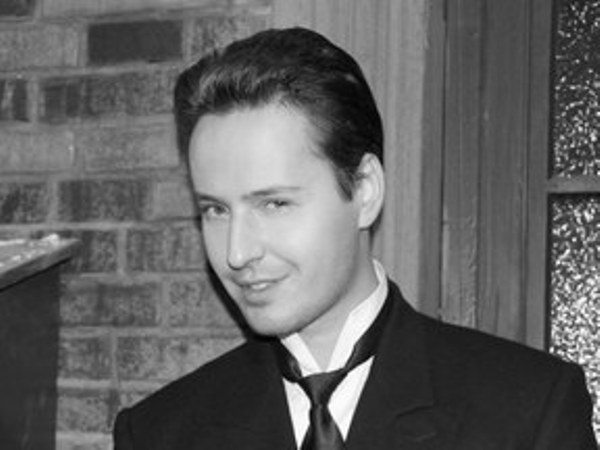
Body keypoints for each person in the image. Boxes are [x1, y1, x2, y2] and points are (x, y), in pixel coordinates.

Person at [113, 27, 597, 449]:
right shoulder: (157, 433)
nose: (236, 252)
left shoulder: (529, 411)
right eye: (216, 210)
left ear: (365, 190)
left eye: (274, 204)